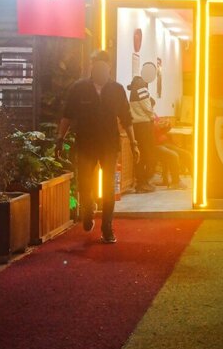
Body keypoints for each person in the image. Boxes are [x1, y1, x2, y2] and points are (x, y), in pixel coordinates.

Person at [56, 50, 140, 244]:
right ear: (92, 67)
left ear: (108, 67)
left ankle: (107, 228)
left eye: (103, 66)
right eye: (96, 66)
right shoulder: (79, 88)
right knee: (85, 183)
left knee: (109, 186)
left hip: (110, 146)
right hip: (86, 144)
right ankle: (88, 208)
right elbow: (67, 115)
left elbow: (126, 119)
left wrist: (133, 143)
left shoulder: (117, 90)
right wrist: (60, 138)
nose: (100, 69)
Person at [128, 76, 158, 193]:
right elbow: (147, 108)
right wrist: (153, 117)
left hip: (135, 127)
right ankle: (144, 182)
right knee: (149, 155)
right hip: (145, 126)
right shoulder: (142, 89)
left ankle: (140, 183)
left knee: (139, 156)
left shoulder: (132, 91)